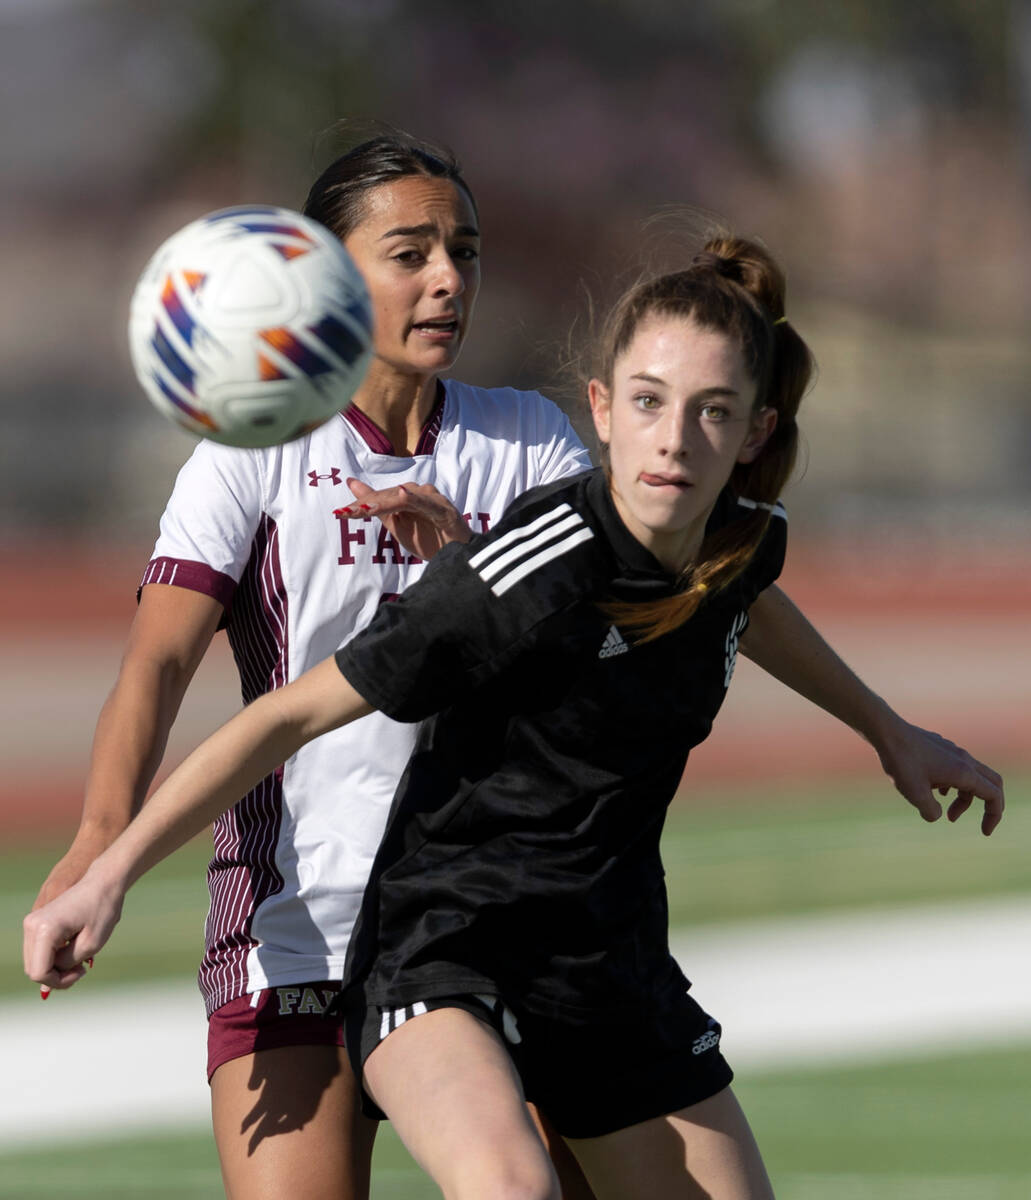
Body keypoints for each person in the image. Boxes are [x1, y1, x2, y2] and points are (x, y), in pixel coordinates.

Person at [26, 235, 1004, 1199]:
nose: (673, 438)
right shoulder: (517, 571)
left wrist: (889, 733)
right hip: (445, 954)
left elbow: (742, 602)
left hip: (608, 967)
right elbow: (285, 716)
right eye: (648, 403)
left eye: (712, 412)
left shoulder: (744, 545)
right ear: (602, 410)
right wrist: (107, 870)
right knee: (509, 1189)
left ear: (754, 431)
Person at [30, 129, 595, 1199]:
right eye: (410, 252)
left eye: (463, 251)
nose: (445, 279)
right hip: (296, 930)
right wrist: (96, 848)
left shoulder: (533, 444)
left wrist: (468, 575)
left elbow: (582, 678)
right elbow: (154, 667)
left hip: (487, 923)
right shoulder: (251, 452)